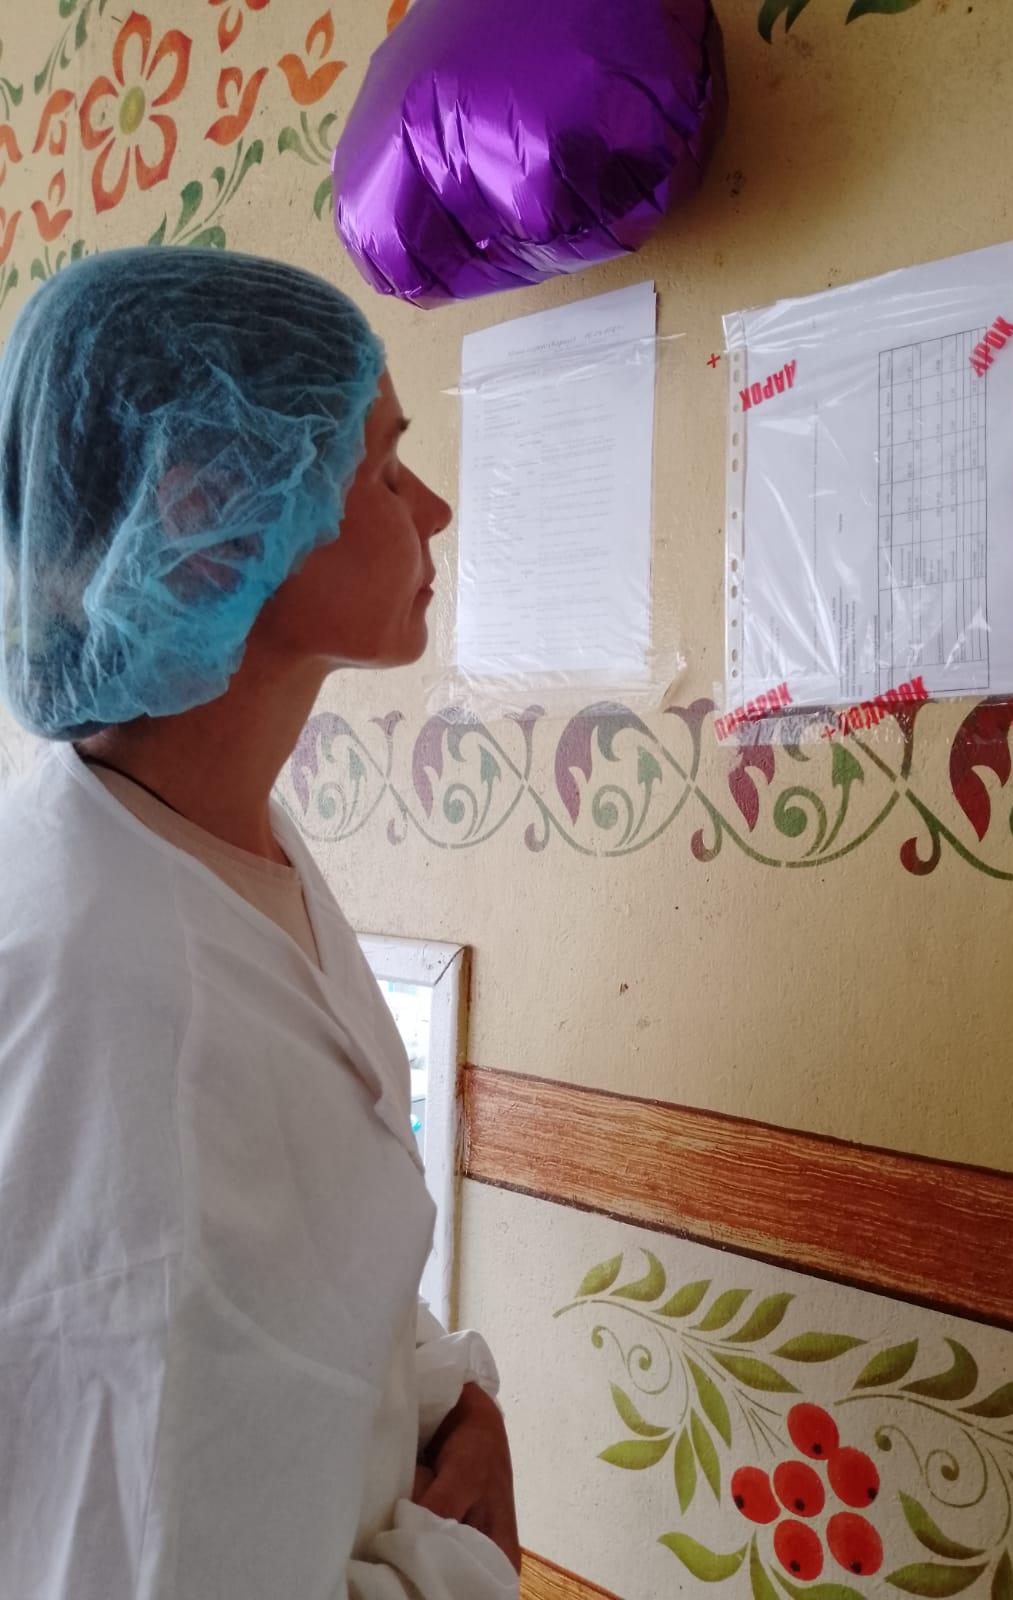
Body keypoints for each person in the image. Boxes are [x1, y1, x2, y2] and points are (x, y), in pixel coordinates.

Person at [0, 248, 520, 1600]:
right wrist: (462, 1567)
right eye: (384, 468)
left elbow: (304, 1260)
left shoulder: (204, 837)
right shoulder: (125, 1012)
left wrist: (452, 1402)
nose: (436, 507)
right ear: (216, 516)